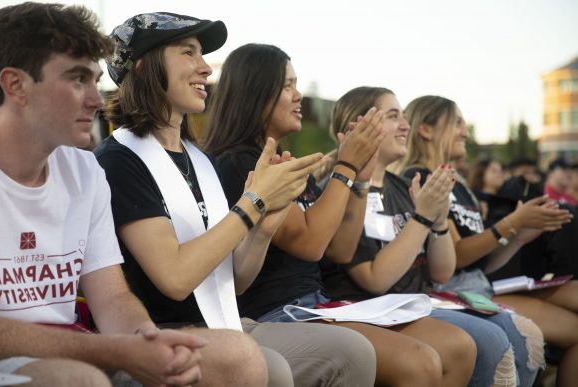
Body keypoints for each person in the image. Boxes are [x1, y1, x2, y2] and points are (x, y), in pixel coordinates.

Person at [95, 12, 377, 387]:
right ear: (145, 66)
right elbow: (176, 279)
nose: (205, 69)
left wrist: (263, 228)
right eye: (188, 53)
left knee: (353, 351)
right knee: (271, 367)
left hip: (226, 321)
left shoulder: (200, 160)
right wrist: (253, 205)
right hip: (167, 330)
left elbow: (236, 280)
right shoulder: (119, 160)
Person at [0, 3, 268, 387]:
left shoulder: (84, 171)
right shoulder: (118, 161)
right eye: (77, 79)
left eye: (94, 80)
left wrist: (148, 341)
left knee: (238, 357)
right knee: (78, 380)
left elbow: (111, 297)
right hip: (46, 359)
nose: (96, 99)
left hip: (82, 348)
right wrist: (119, 351)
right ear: (16, 86)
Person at [205, 44, 477, 387]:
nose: (299, 95)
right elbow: (311, 245)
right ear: (255, 92)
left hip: (318, 304)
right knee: (419, 363)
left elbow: (341, 250)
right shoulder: (237, 162)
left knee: (459, 348)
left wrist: (359, 179)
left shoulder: (284, 162)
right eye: (287, 86)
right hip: (276, 311)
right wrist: (346, 166)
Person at [322, 86, 547, 386]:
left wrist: (438, 222)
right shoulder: (340, 188)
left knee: (518, 336)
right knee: (491, 341)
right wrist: (423, 216)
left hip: (417, 302)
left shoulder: (401, 186)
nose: (405, 126)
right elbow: (374, 280)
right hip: (371, 308)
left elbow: (441, 271)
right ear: (359, 124)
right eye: (393, 116)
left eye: (404, 116)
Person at [397, 94, 578, 387]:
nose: (465, 132)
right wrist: (511, 223)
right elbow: (454, 257)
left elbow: (485, 263)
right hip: (452, 294)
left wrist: (518, 237)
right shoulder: (419, 177)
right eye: (456, 122)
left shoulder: (461, 186)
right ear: (426, 130)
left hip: (480, 285)